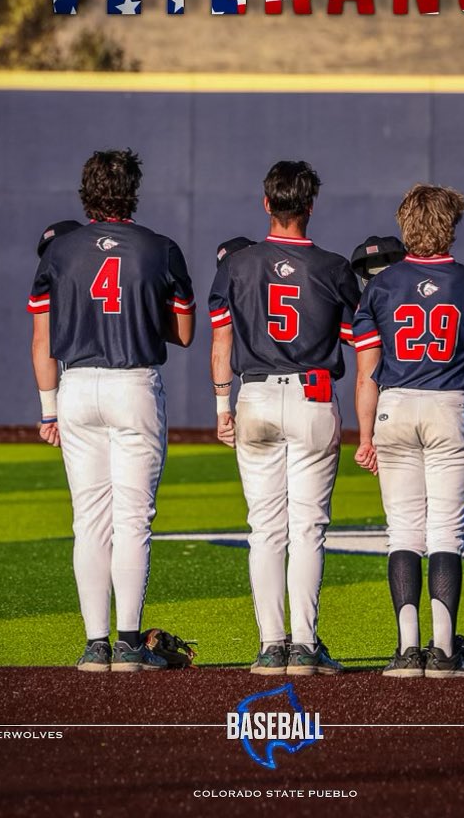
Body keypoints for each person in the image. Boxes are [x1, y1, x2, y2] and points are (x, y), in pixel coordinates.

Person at [28, 149, 196, 673]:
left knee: (89, 522)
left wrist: (48, 410)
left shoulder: (58, 251)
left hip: (76, 387)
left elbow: (42, 342)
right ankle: (128, 642)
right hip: (132, 383)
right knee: (132, 520)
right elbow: (185, 333)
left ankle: (95, 644)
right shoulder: (160, 248)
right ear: (133, 192)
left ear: (87, 194)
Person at [209, 161, 361, 677]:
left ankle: (271, 645)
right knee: (308, 529)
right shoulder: (335, 267)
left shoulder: (237, 264)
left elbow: (222, 339)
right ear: (310, 206)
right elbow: (355, 340)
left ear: (266, 203)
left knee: (265, 530)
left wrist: (220, 405)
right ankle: (303, 646)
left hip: (252, 396)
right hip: (312, 396)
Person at [352, 183, 464, 678]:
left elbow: (368, 369)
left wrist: (365, 436)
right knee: (446, 535)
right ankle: (445, 652)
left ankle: (407, 652)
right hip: (449, 406)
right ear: (450, 225)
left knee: (403, 533)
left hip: (393, 405)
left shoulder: (381, 285)